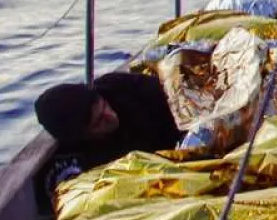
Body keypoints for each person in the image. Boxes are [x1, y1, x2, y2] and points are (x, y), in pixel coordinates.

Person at [34, 71, 184, 177]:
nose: (110, 116)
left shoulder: (118, 86)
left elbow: (173, 93)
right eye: (99, 121)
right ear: (84, 135)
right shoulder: (91, 159)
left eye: (105, 106)